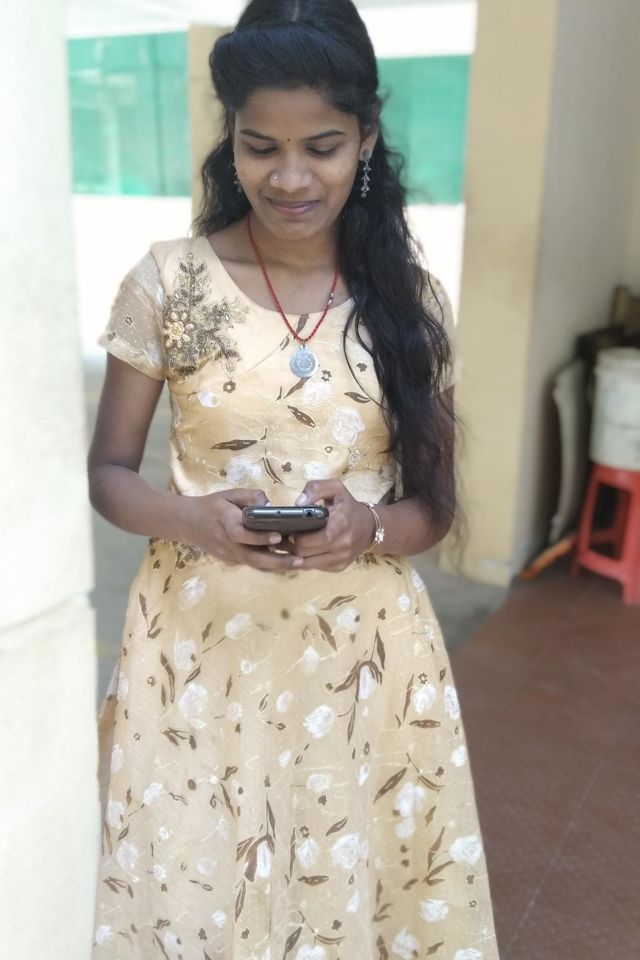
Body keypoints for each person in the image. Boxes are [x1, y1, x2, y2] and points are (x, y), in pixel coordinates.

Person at [89, 1, 499, 958]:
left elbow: (433, 508)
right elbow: (109, 474)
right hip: (197, 656)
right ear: (228, 139)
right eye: (259, 146)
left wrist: (368, 529)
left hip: (365, 667)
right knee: (199, 896)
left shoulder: (408, 300)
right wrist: (192, 517)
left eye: (321, 147)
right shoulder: (169, 283)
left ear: (367, 138)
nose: (289, 177)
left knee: (350, 897)